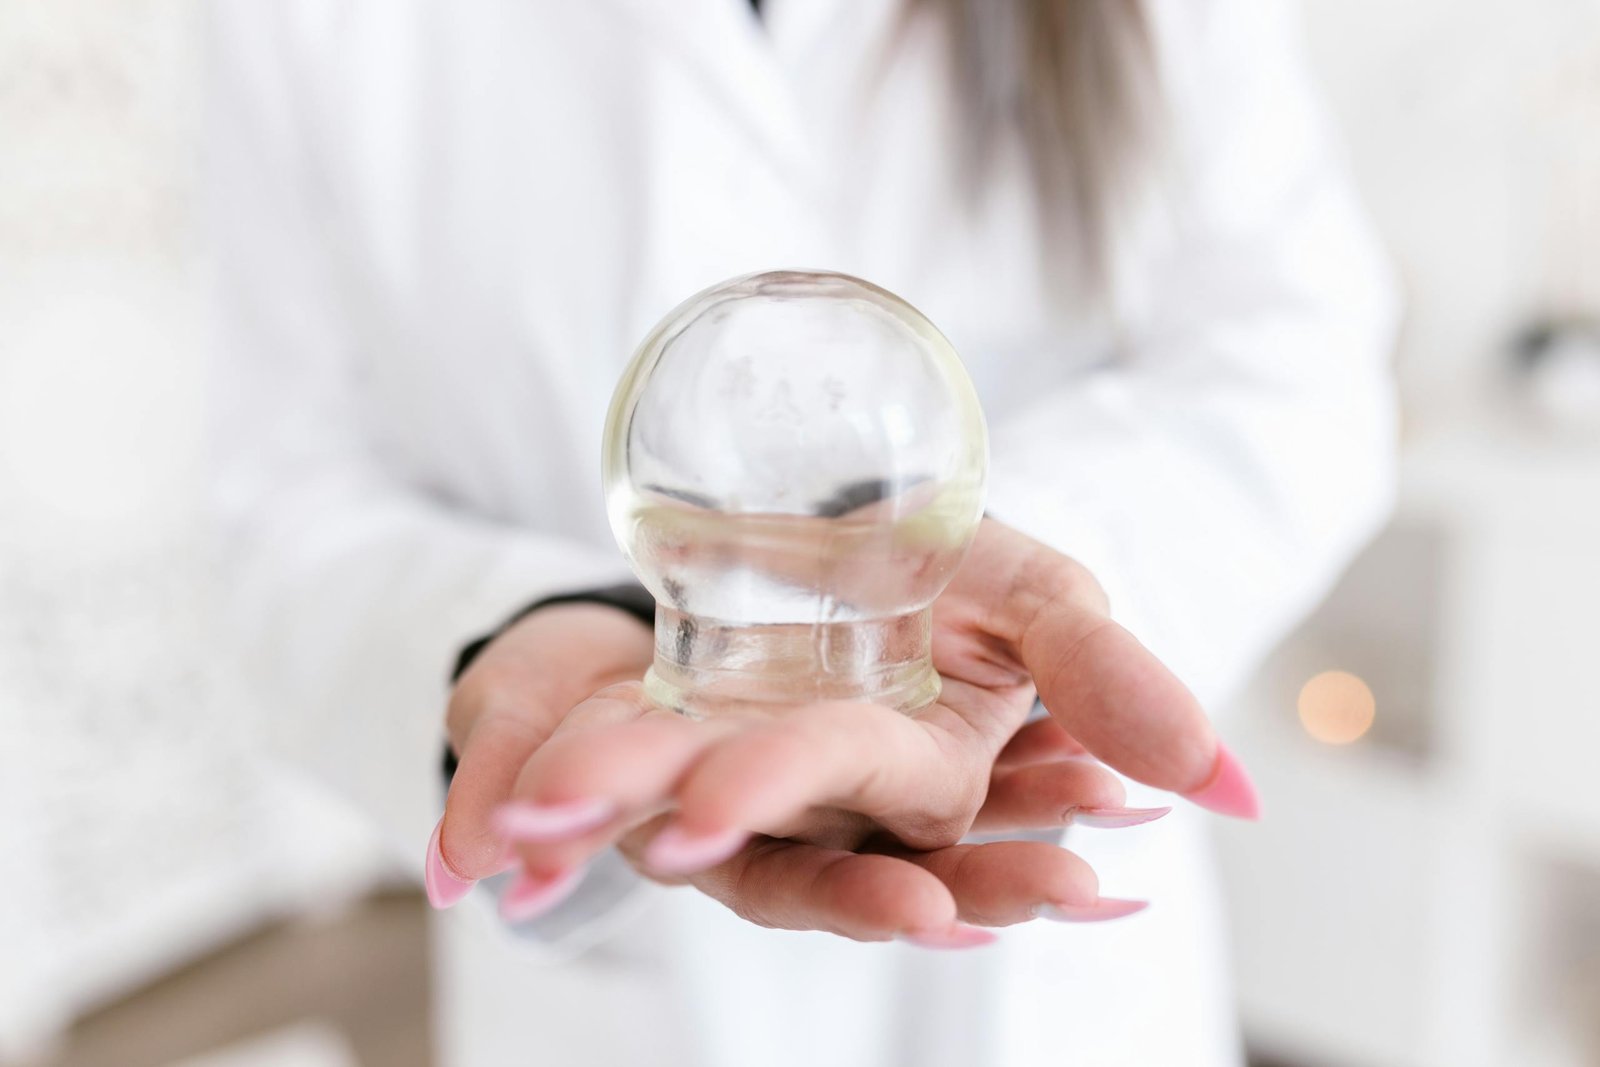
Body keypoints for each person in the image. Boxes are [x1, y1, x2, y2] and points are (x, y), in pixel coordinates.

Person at [209, 1, 1397, 1064]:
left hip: (1055, 986)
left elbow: (1296, 364)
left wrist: (1010, 586)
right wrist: (539, 622)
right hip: (620, 983)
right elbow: (287, 498)